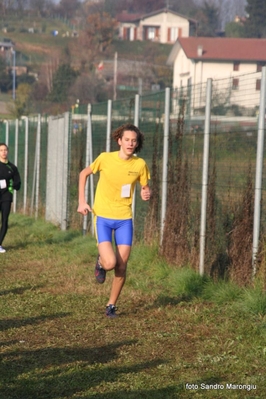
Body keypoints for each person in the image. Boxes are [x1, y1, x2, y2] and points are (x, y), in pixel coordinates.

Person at [77, 124, 151, 318]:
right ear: (119, 140)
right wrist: (82, 201)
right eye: (127, 139)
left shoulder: (140, 165)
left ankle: (111, 305)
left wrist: (146, 192)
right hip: (102, 216)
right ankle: (101, 262)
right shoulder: (105, 158)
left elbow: (145, 186)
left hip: (124, 219)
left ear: (137, 144)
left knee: (122, 265)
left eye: (134, 141)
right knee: (110, 263)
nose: (130, 143)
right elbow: (83, 174)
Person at [0, 143, 21, 253]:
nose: (3, 152)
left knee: (4, 220)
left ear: (8, 151)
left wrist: (13, 185)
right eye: (1, 150)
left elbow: (18, 182)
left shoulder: (12, 167)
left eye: (5, 150)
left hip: (6, 197)